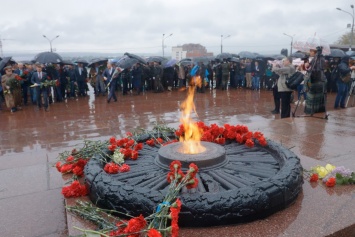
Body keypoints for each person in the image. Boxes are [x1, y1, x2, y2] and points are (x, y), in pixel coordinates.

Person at [304, 48, 326, 115]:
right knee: (318, 97)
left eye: (311, 51)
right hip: (319, 80)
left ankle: (311, 111)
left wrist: (308, 70)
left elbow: (317, 70)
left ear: (315, 52)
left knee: (312, 97)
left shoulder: (318, 59)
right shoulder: (318, 58)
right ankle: (317, 110)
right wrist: (308, 66)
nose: (310, 52)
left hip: (316, 80)